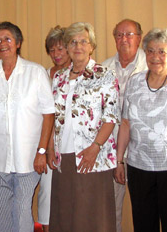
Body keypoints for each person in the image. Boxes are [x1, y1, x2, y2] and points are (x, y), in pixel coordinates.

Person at [0, 21, 55, 232]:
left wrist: (42, 151)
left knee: (20, 211)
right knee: (2, 213)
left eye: (7, 39)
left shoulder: (35, 73)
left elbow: (48, 115)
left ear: (18, 43)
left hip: (28, 160)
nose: (2, 44)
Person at [47, 22, 119, 232]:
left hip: (92, 156)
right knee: (65, 212)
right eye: (73, 42)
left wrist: (95, 147)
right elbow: (54, 116)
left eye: (83, 41)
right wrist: (51, 147)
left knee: (92, 216)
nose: (78, 46)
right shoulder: (59, 77)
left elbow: (111, 117)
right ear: (67, 47)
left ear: (91, 46)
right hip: (64, 155)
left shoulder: (104, 75)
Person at [114, 28, 167, 232]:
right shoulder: (135, 81)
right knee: (143, 223)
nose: (155, 57)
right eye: (150, 51)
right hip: (138, 166)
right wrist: (119, 160)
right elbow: (125, 123)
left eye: (162, 51)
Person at [102, 19, 147, 232]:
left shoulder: (151, 65)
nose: (124, 39)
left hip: (142, 150)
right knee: (111, 208)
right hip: (111, 149)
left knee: (144, 208)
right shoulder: (104, 68)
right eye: (119, 35)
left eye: (129, 34)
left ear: (139, 38)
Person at [37, 25, 71, 232]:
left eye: (61, 49)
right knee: (47, 193)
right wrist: (46, 147)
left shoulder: (79, 72)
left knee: (70, 194)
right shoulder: (43, 73)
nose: (56, 54)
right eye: (52, 50)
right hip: (47, 141)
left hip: (71, 142)